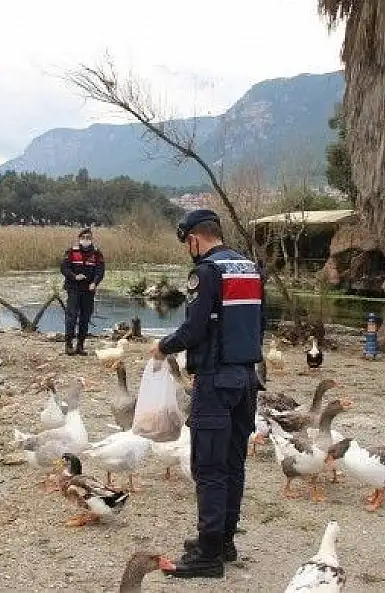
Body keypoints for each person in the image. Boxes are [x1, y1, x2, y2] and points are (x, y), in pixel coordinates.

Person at [149, 209, 265, 579]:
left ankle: (209, 555)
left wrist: (164, 346)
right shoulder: (250, 269)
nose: (189, 250)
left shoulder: (206, 272)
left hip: (216, 381)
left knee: (209, 466)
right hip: (247, 379)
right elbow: (261, 323)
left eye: (188, 244)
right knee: (233, 464)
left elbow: (194, 328)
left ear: (195, 238)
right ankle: (224, 541)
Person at [60, 227, 105, 355]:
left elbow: (100, 271)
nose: (86, 240)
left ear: (91, 239)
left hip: (88, 290)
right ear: (79, 239)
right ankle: (69, 345)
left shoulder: (97, 253)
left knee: (85, 318)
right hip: (73, 288)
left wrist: (95, 283)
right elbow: (64, 268)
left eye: (88, 238)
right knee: (72, 317)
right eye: (83, 238)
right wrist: (74, 276)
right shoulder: (71, 251)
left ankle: (80, 346)